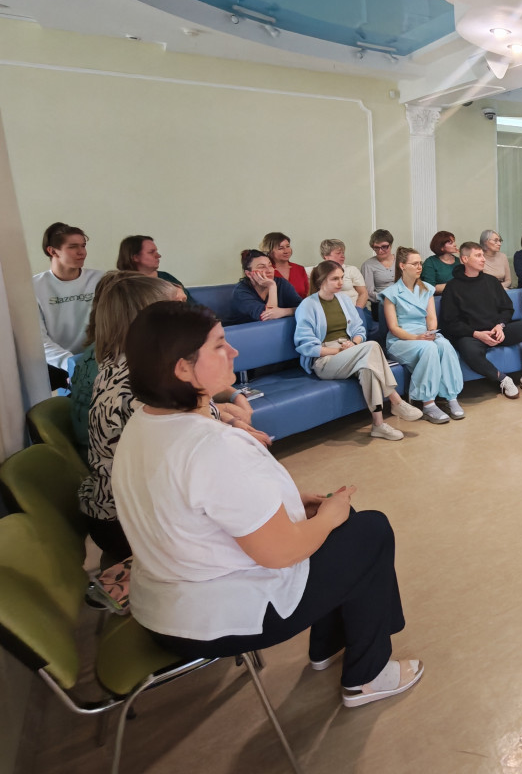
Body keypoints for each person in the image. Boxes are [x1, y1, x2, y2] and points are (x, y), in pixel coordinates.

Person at [113, 300, 422, 709]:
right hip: (214, 618)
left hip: (163, 604)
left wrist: (292, 503)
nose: (234, 351)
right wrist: (328, 517)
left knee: (348, 530)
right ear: (182, 369)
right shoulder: (212, 446)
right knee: (370, 530)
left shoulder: (143, 423)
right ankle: (367, 678)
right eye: (219, 345)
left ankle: (328, 646)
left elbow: (202, 509)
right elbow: (281, 553)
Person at [79, 273, 266, 566]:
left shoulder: (123, 363)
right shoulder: (139, 382)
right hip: (129, 522)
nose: (189, 314)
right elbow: (196, 447)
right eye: (178, 307)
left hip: (120, 508)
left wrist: (230, 419)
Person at [295, 261, 423, 441]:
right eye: (334, 279)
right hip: (325, 359)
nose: (340, 283)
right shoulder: (308, 305)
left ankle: (378, 425)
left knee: (368, 369)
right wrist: (339, 350)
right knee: (372, 346)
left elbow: (359, 329)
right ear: (321, 280)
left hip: (351, 350)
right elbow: (306, 346)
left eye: (342, 278)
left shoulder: (343, 300)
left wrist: (353, 343)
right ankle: (396, 400)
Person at [438, 241, 522, 398]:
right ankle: (503, 379)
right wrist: (476, 334)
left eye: (482, 255)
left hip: (497, 330)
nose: (483, 259)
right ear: (465, 259)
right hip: (473, 335)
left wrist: (500, 325)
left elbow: (507, 308)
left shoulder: (491, 281)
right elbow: (450, 323)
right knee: (468, 349)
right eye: (478, 255)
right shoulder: (453, 287)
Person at [381, 247, 465, 424]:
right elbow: (394, 328)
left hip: (424, 335)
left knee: (445, 345)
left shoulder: (427, 289)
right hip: (401, 340)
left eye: (420, 263)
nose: (419, 267)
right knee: (429, 348)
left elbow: (432, 319)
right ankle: (427, 403)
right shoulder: (391, 293)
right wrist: (417, 338)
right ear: (402, 266)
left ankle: (451, 397)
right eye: (415, 264)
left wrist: (430, 332)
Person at [33, 221, 103, 389]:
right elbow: (39, 340)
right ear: (52, 251)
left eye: (83, 246)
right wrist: (71, 363)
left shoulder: (100, 280)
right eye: (73, 247)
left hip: (97, 360)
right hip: (55, 365)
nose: (81, 252)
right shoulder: (34, 287)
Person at [228, 249, 302, 324]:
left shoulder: (282, 283)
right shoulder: (241, 292)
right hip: (245, 330)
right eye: (261, 267)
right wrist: (272, 286)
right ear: (249, 274)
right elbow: (269, 317)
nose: (269, 270)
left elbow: (303, 308)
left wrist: (284, 312)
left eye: (270, 265)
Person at [117, 234, 188, 296]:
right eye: (151, 252)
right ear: (135, 257)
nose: (158, 256)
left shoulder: (166, 277)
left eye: (156, 251)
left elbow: (189, 303)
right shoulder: (122, 285)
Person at [319, 239, 369, 309]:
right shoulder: (317, 271)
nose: (342, 256)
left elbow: (363, 293)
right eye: (338, 253)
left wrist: (357, 310)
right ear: (326, 256)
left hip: (354, 308)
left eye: (343, 253)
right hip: (329, 310)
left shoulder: (352, 270)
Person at [262, 232, 308, 299]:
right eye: (280, 248)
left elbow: (307, 295)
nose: (286, 251)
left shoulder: (299, 269)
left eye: (288, 246)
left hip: (300, 305)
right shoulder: (266, 271)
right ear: (269, 251)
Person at [360, 229, 397, 304]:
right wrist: (387, 298)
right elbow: (369, 293)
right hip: (381, 301)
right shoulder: (368, 265)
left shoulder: (401, 261)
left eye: (384, 247)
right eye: (376, 247)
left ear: (390, 245)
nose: (380, 251)